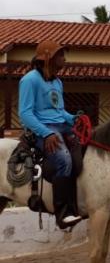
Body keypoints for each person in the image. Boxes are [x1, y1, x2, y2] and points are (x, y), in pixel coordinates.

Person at [18, 40, 81, 229]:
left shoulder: (57, 81)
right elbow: (25, 114)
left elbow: (59, 111)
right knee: (64, 160)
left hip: (60, 125)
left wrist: (74, 119)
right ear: (48, 58)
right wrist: (46, 134)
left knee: (89, 144)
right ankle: (62, 214)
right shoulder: (30, 80)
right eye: (60, 55)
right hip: (41, 129)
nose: (64, 58)